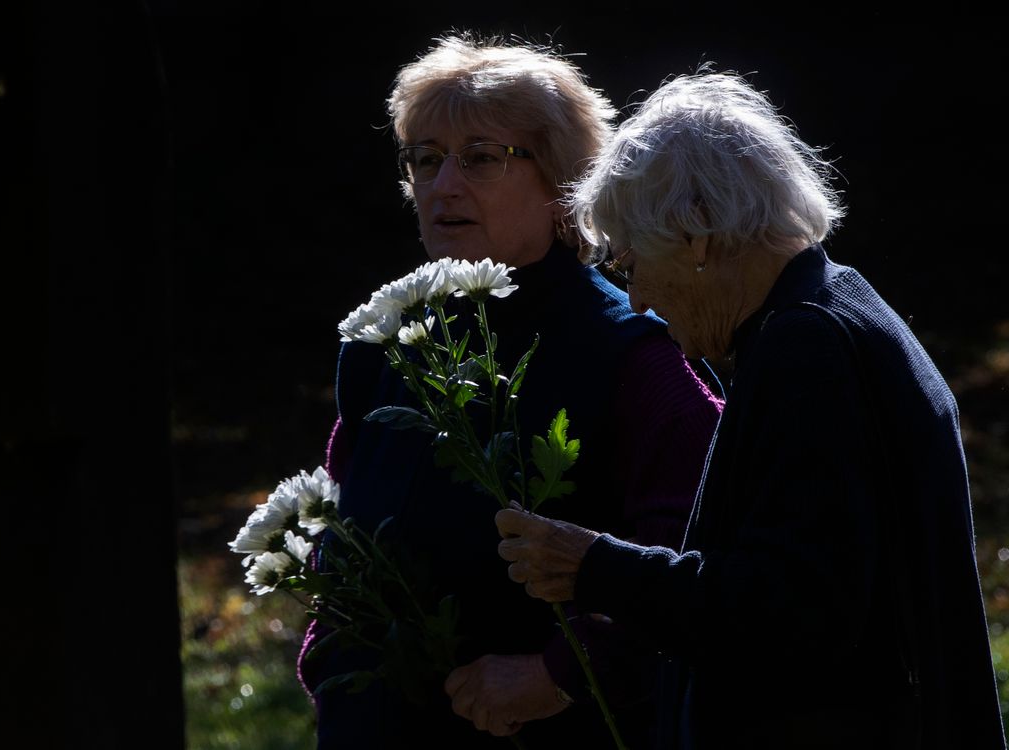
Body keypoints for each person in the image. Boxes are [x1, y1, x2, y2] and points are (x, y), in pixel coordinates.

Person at [494, 68, 1007, 750]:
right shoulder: (837, 310)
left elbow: (792, 613)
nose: (639, 299)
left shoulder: (809, 348)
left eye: (632, 261)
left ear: (696, 233)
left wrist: (597, 568)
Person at [296, 34, 723, 748]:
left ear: (561, 182)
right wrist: (334, 657)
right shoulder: (384, 345)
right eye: (425, 160)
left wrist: (562, 671)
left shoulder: (628, 350)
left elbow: (699, 554)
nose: (444, 185)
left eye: (481, 158)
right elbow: (344, 531)